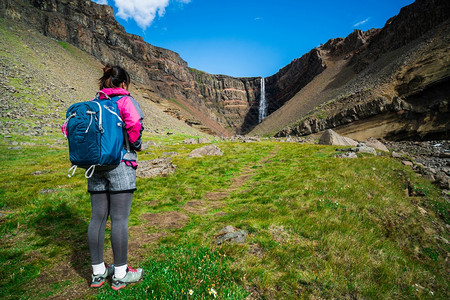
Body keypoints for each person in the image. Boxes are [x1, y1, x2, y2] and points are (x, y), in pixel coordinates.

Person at [85, 65, 145, 290]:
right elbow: (134, 125)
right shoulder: (125, 100)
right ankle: (120, 274)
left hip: (95, 165)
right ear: (123, 83)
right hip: (120, 163)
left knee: (97, 218)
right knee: (119, 219)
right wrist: (136, 144)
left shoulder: (93, 103)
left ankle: (98, 273)